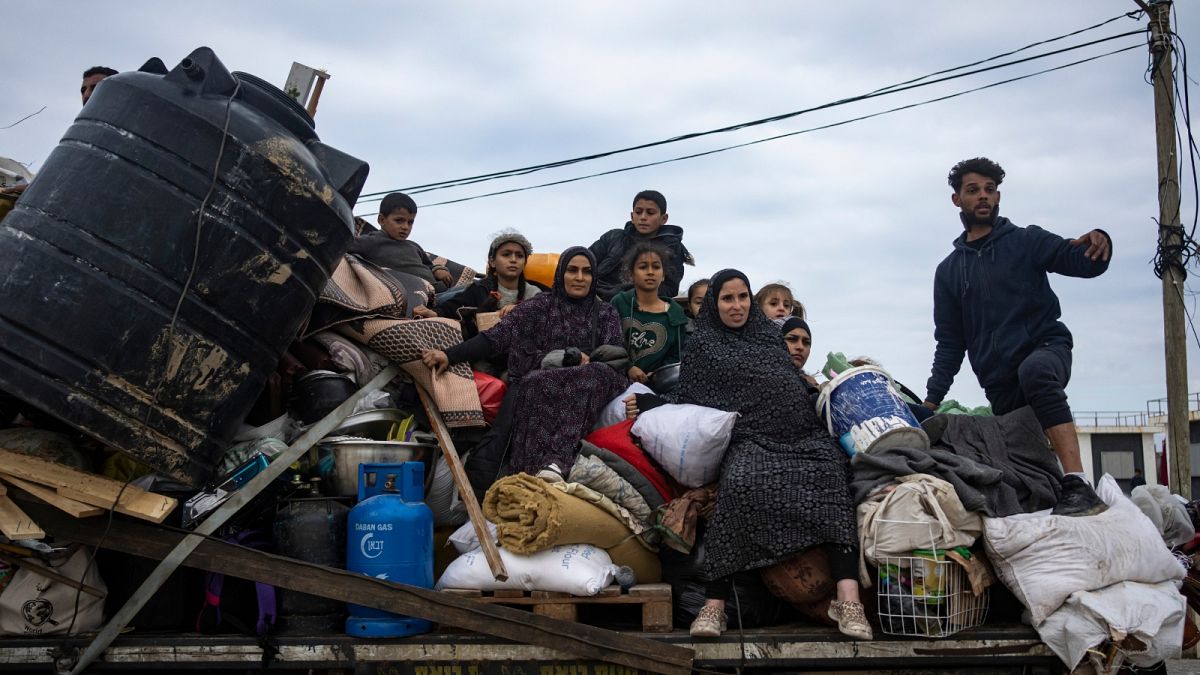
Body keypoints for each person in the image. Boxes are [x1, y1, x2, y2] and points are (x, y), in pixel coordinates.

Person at [626, 270, 870, 640]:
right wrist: (650, 403)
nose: (737, 305)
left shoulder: (770, 339)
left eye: (742, 297)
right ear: (715, 304)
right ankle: (714, 606)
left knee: (834, 477)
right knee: (738, 483)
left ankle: (848, 600)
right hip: (752, 439)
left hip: (802, 437)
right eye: (727, 298)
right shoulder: (704, 346)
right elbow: (690, 397)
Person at [922, 157, 1112, 517]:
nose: (983, 197)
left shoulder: (1027, 241)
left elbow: (1083, 262)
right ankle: (1062, 499)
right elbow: (950, 342)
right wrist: (931, 401)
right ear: (956, 200)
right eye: (973, 190)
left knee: (1036, 372)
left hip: (1046, 348)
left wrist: (1100, 242)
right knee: (1030, 467)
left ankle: (1078, 482)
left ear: (998, 197)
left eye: (990, 191)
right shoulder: (948, 271)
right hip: (999, 381)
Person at [422, 247, 629, 492]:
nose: (579, 277)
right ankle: (529, 478)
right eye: (572, 270)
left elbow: (615, 355)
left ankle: (557, 462)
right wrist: (449, 355)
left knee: (596, 374)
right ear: (561, 273)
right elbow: (495, 338)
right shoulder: (540, 306)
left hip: (587, 385)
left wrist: (584, 361)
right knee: (532, 386)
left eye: (586, 272)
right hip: (537, 383)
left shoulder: (605, 313)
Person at [348, 192, 455, 316]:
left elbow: (429, 265)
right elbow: (343, 245)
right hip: (422, 298)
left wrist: (438, 270)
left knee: (476, 288)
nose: (405, 227)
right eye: (399, 221)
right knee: (473, 293)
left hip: (441, 290)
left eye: (410, 222)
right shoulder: (372, 241)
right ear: (381, 220)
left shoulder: (413, 246)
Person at [610, 242, 688, 392]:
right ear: (631, 274)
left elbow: (675, 355)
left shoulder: (675, 313)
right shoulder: (619, 303)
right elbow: (610, 341)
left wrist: (659, 374)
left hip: (658, 389)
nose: (650, 272)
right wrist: (629, 367)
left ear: (664, 275)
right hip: (617, 382)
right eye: (643, 267)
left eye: (656, 267)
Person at [590, 190, 692, 301]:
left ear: (664, 219)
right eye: (638, 212)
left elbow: (670, 288)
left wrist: (630, 295)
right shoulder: (613, 237)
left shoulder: (672, 248)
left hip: (637, 307)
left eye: (650, 213)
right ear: (632, 216)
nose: (643, 217)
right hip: (595, 299)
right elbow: (585, 264)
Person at [435, 229, 545, 321]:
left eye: (519, 256)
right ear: (492, 261)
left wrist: (521, 310)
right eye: (506, 254)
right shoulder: (479, 289)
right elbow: (451, 307)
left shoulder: (534, 293)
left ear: (525, 263)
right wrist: (434, 313)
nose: (513, 260)